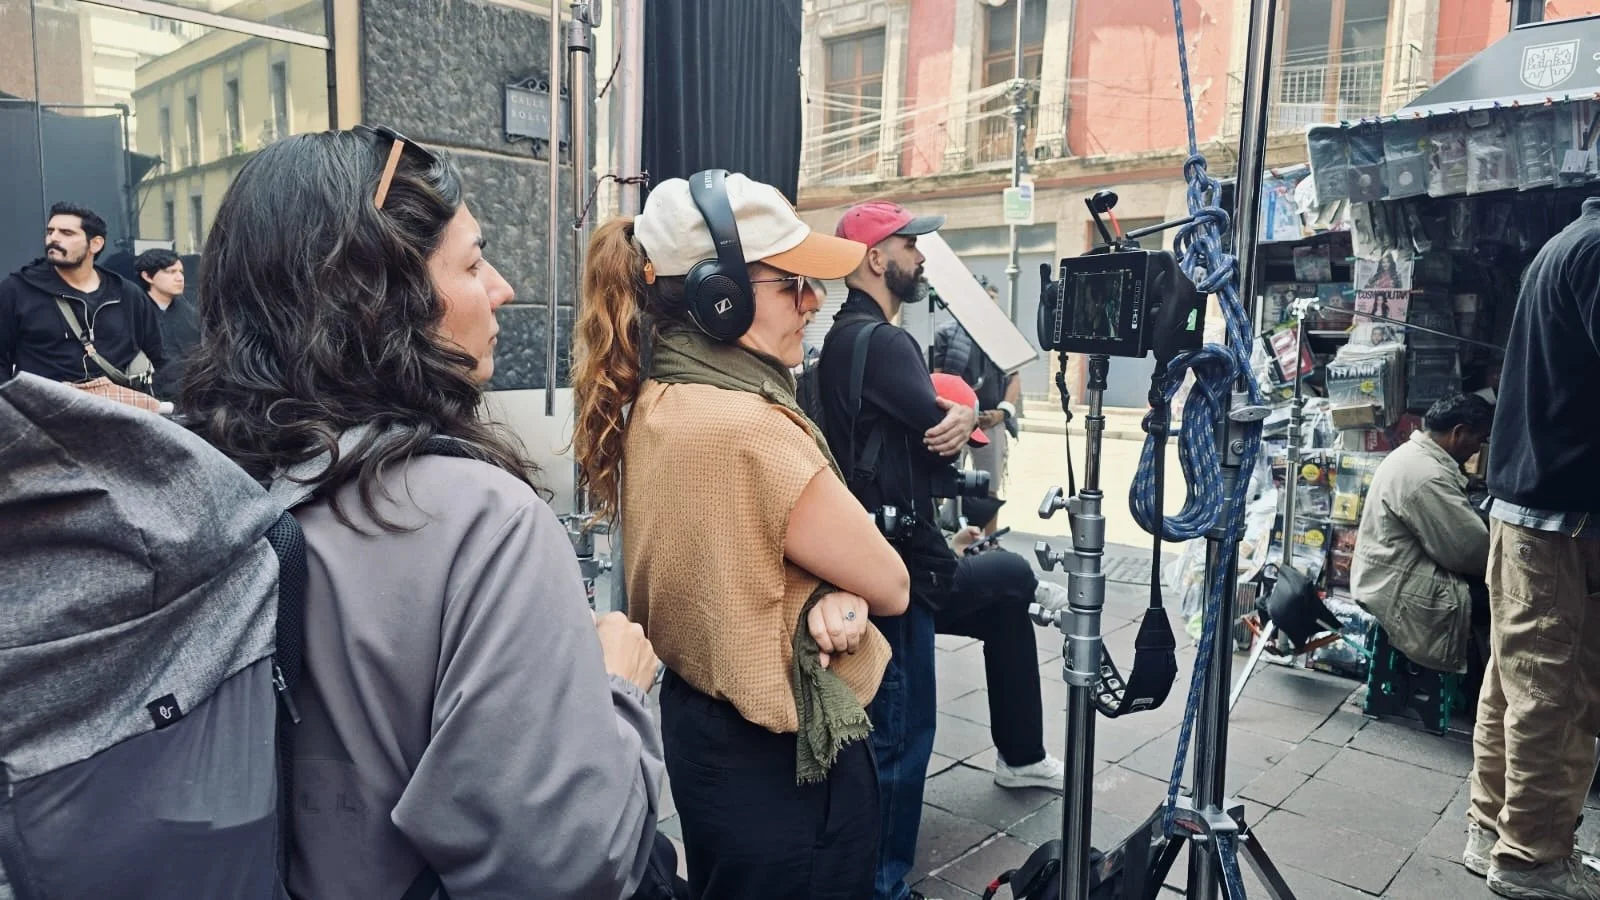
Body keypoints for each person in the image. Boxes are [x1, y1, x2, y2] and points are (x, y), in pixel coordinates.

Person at [180, 126, 666, 898]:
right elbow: (563, 863)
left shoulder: (193, 479)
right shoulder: (484, 522)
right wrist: (619, 690)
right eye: (471, 264)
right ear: (380, 299)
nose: (502, 288)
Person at [571, 170, 911, 899]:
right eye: (792, 284)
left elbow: (735, 552)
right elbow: (893, 584)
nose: (813, 302)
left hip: (704, 740)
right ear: (718, 298)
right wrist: (847, 585)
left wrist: (826, 588)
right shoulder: (751, 427)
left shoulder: (662, 395)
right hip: (791, 769)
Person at [818, 199, 977, 900]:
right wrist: (968, 412)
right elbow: (943, 431)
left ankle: (860, 874)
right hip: (895, 561)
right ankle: (883, 885)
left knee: (872, 728)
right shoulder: (886, 342)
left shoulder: (840, 338)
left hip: (856, 550)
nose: (921, 256)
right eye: (910, 245)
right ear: (876, 258)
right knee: (902, 733)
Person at [1467, 196, 1600, 900]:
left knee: (1515, 682)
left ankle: (1492, 830)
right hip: (1560, 519)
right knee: (1556, 689)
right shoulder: (1595, 250)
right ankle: (1532, 857)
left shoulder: (1567, 244)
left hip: (1532, 513)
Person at [1350, 394, 1492, 689]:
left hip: (1385, 575)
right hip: (1396, 587)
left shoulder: (1413, 454)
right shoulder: (1427, 475)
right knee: (1501, 596)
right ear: (1459, 433)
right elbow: (1472, 553)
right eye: (1478, 439)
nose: (1477, 449)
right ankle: (1483, 690)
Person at [0, 202, 167, 400]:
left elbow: (161, 358)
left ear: (96, 244)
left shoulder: (127, 294)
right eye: (50, 231)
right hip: (45, 409)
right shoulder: (17, 290)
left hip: (117, 409)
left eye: (66, 233)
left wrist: (167, 404)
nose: (54, 238)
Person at [931, 280, 1021, 534]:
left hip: (991, 421)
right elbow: (936, 376)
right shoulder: (946, 333)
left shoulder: (1003, 338)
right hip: (953, 419)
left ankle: (988, 543)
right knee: (941, 483)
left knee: (988, 488)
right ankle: (938, 539)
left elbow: (1014, 377)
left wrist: (1002, 413)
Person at [133, 248, 200, 401]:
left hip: (189, 392)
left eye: (181, 272)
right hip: (148, 395)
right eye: (171, 272)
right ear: (147, 276)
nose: (179, 278)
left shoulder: (191, 311)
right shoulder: (133, 310)